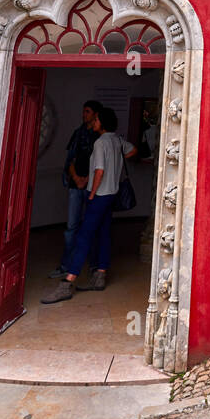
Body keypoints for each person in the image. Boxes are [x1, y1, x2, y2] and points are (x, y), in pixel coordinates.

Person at [41, 106, 137, 300]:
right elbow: (133, 150)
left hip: (99, 196)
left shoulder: (101, 143)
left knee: (83, 237)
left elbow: (99, 171)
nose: (93, 122)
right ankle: (100, 275)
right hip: (112, 195)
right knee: (103, 234)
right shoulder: (117, 140)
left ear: (102, 123)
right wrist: (118, 161)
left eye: (96, 120)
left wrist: (92, 194)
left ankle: (67, 283)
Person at [48, 100, 101, 279]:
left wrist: (87, 180)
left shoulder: (100, 137)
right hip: (76, 185)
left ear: (96, 114)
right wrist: (77, 179)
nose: (83, 115)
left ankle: (94, 267)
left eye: (87, 111)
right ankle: (66, 265)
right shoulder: (78, 134)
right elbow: (70, 159)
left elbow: (100, 165)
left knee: (92, 226)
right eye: (83, 111)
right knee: (71, 227)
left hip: (93, 187)